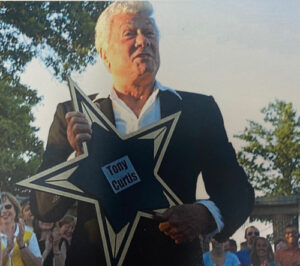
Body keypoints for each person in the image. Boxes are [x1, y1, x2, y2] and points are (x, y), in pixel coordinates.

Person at [30, 1, 254, 265]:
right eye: (129, 33)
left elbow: (238, 191)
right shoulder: (71, 114)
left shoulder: (198, 112)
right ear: (104, 53)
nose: (143, 41)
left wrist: (206, 214)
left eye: (149, 33)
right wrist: (77, 161)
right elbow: (44, 208)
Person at [0, 192, 42, 266]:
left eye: (8, 206)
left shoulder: (29, 234)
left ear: (16, 209)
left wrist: (21, 245)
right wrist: (7, 250)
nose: (3, 211)